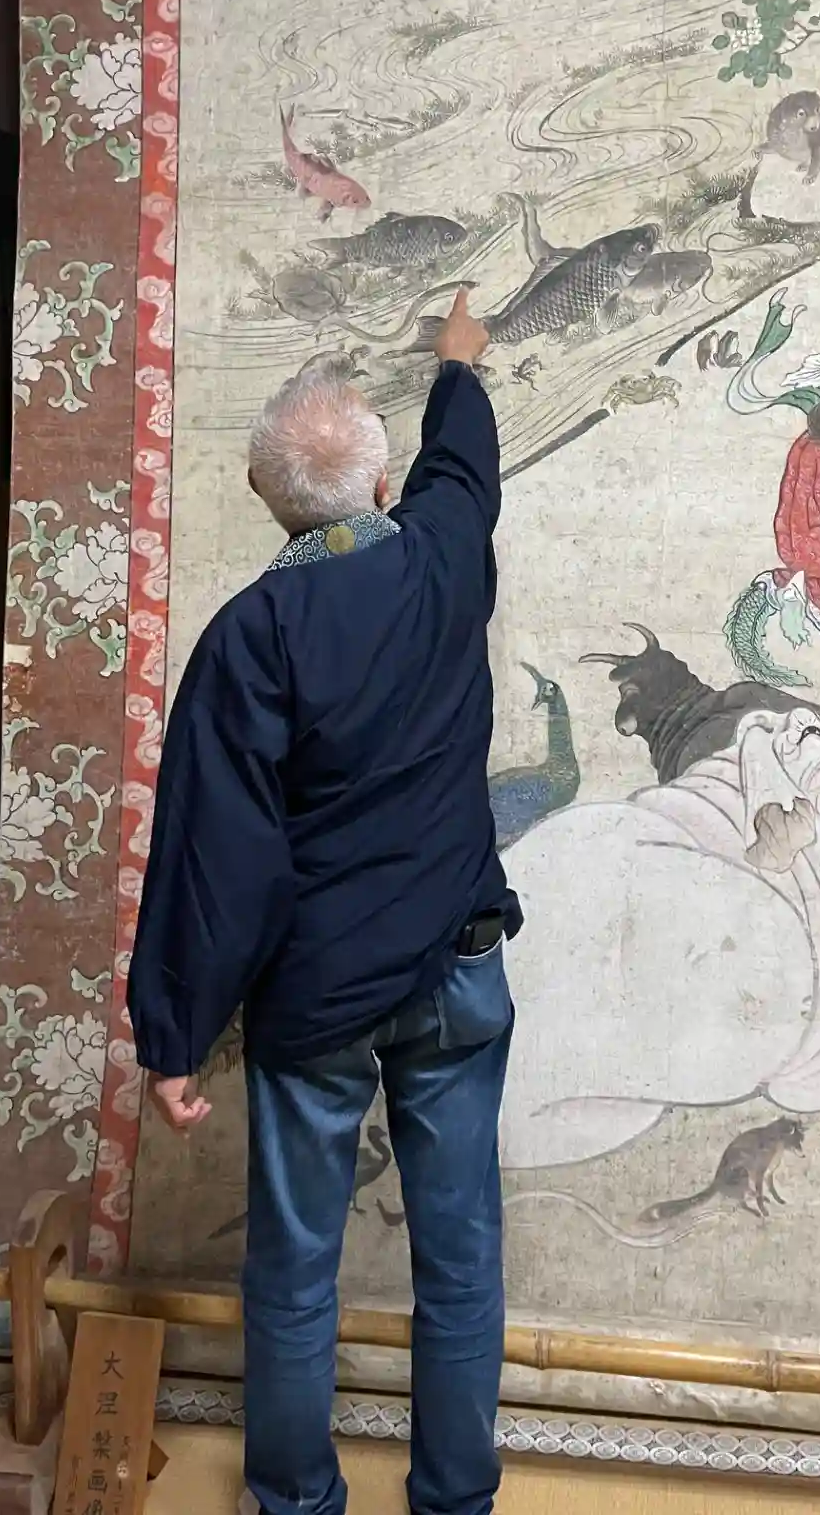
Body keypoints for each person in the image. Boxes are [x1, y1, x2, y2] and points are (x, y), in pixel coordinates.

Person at [128, 290, 519, 1515]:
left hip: (319, 999)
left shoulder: (250, 636)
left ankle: (296, 1503)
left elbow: (217, 856)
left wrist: (176, 1036)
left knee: (294, 1271)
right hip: (459, 974)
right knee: (462, 1260)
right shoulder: (444, 558)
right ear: (383, 485)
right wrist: (456, 366)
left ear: (267, 498)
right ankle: (454, 1500)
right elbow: (465, 469)